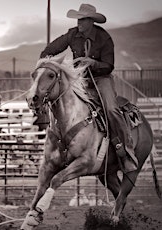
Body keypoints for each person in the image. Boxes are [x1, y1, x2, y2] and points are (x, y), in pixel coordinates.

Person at [40, 3, 137, 173]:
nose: (79, 23)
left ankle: (126, 151)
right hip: (81, 79)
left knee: (111, 109)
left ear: (91, 21)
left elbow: (109, 66)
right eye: (78, 19)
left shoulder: (104, 38)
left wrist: (93, 63)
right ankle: (61, 145)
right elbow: (54, 47)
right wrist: (45, 58)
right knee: (61, 100)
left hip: (101, 79)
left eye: (83, 19)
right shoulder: (72, 34)